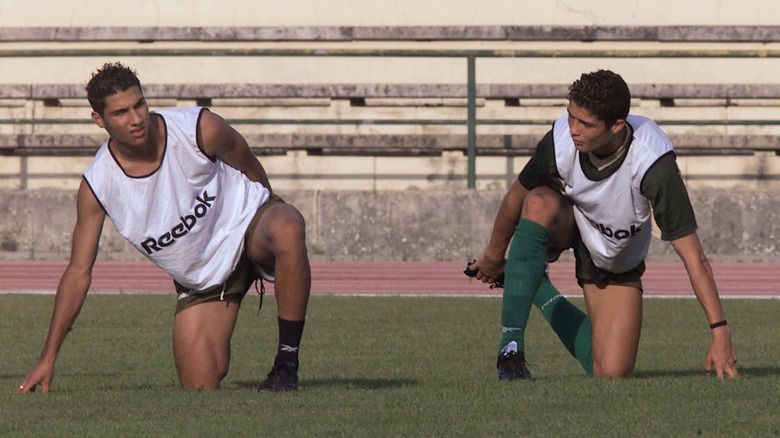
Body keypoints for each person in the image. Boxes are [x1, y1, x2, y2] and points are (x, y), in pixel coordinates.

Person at [17, 62, 311, 392]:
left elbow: (252, 170)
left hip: (247, 228)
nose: (136, 118)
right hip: (204, 280)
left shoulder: (199, 127)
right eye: (121, 112)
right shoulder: (98, 186)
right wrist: (48, 357)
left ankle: (286, 364)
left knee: (287, 225)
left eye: (139, 104)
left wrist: (270, 223)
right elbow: (78, 273)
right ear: (99, 120)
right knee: (199, 390)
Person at [468, 69, 738, 380]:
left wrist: (720, 332)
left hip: (614, 255)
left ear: (617, 126)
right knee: (537, 202)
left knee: (611, 373)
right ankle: (510, 347)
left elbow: (694, 256)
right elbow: (517, 194)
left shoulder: (653, 163)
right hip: (569, 221)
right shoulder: (560, 140)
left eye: (586, 124)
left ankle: (536, 284)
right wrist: (493, 256)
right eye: (571, 116)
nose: (573, 130)